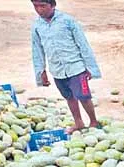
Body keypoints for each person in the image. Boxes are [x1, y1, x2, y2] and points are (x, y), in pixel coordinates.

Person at [31, 0, 102, 133]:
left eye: (43, 6)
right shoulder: (37, 26)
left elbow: (83, 44)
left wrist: (90, 67)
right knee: (69, 96)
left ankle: (93, 121)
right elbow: (37, 50)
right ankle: (78, 122)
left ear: (52, 5)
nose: (39, 10)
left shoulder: (67, 21)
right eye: (36, 6)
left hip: (76, 67)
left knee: (84, 96)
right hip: (57, 70)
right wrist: (41, 71)